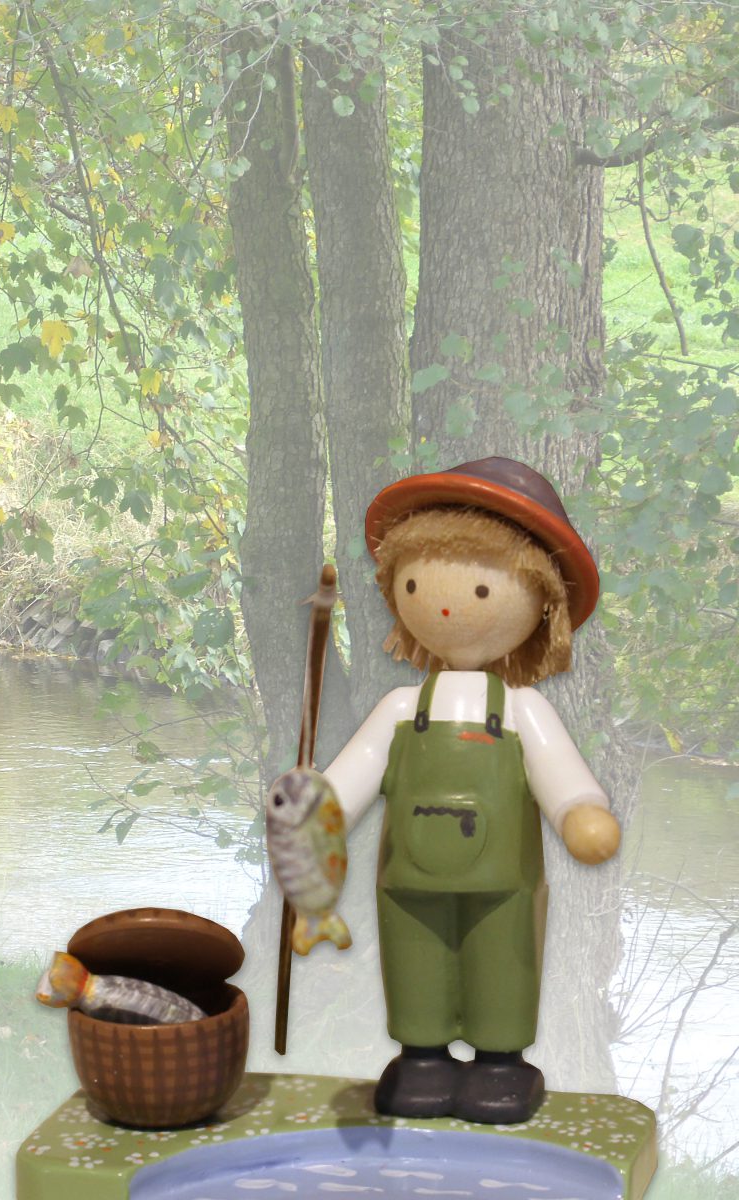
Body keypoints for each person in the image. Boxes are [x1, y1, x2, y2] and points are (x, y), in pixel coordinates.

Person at [321, 457, 621, 1124]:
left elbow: (560, 774)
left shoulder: (520, 709)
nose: (446, 603)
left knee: (502, 962)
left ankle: (499, 1063)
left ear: (540, 603)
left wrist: (580, 811)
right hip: (408, 878)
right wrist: (319, 809)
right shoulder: (402, 708)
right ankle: (422, 1057)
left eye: (483, 590)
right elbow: (357, 769)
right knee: (415, 961)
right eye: (417, 582)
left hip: (503, 882)